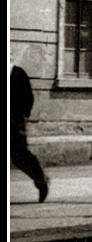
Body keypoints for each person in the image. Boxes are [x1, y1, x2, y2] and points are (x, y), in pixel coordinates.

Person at [11, 64, 49, 203]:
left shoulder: (16, 73)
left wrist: (21, 117)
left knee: (19, 155)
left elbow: (28, 97)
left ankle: (41, 180)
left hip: (14, 120)